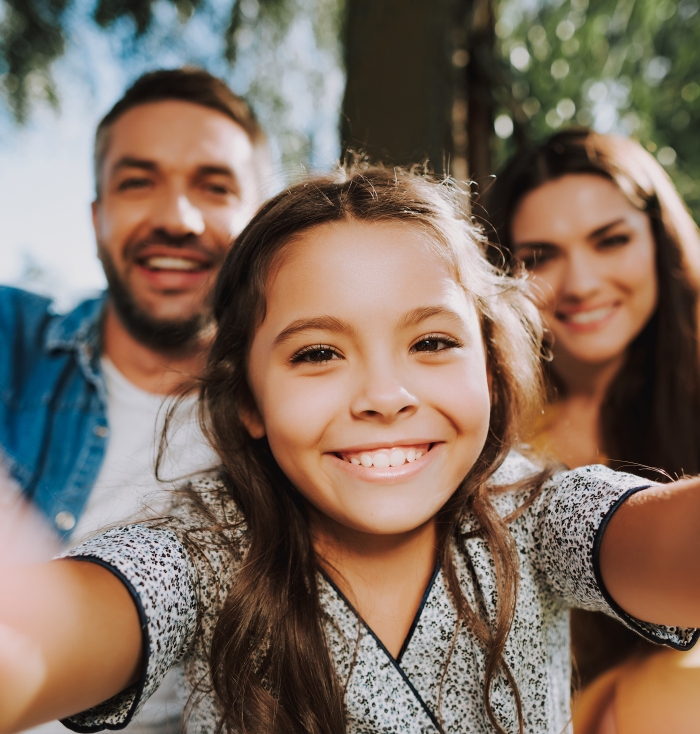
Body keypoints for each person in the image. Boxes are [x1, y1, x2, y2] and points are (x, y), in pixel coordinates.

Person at [0, 165, 699, 734]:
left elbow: (671, 545)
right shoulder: (201, 552)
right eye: (318, 353)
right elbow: (50, 640)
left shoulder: (538, 515)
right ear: (249, 399)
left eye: (431, 342)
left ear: (486, 368)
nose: (385, 395)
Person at [0, 67, 270, 733]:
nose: (176, 219)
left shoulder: (304, 409)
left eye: (213, 186)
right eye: (137, 182)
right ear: (97, 217)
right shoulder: (14, 343)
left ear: (259, 222)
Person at [482, 128, 700, 733]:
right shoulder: (487, 427)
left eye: (611, 241)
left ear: (658, 243)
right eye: (540, 257)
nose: (579, 283)